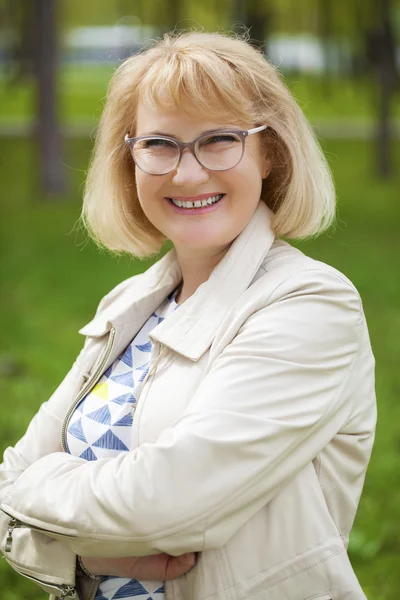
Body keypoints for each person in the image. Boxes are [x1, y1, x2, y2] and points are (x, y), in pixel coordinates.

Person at [0, 30, 376, 600]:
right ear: (129, 159)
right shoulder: (132, 303)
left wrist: (35, 495)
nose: (188, 173)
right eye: (159, 144)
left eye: (220, 139)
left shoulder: (313, 306)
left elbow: (169, 505)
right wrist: (84, 548)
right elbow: (11, 480)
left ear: (270, 151)